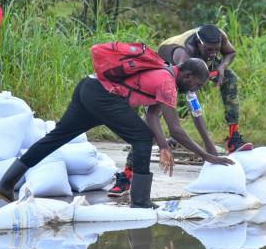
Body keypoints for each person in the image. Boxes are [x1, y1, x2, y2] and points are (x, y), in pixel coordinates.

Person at [0, 54, 233, 208]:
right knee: (141, 137)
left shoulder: (164, 74)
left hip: (88, 87)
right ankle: (140, 201)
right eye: (197, 85)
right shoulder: (167, 82)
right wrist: (208, 157)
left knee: (56, 138)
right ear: (188, 75)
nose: (196, 89)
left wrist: (162, 145)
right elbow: (176, 130)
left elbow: (152, 116)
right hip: (102, 95)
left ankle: (5, 184)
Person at [108, 24, 252, 197]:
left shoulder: (218, 37)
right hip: (167, 67)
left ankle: (233, 137)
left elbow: (230, 53)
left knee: (230, 77)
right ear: (199, 44)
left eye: (216, 49)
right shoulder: (184, 56)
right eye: (209, 49)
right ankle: (127, 175)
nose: (214, 53)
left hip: (198, 66)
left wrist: (221, 67)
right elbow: (194, 106)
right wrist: (208, 147)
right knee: (149, 122)